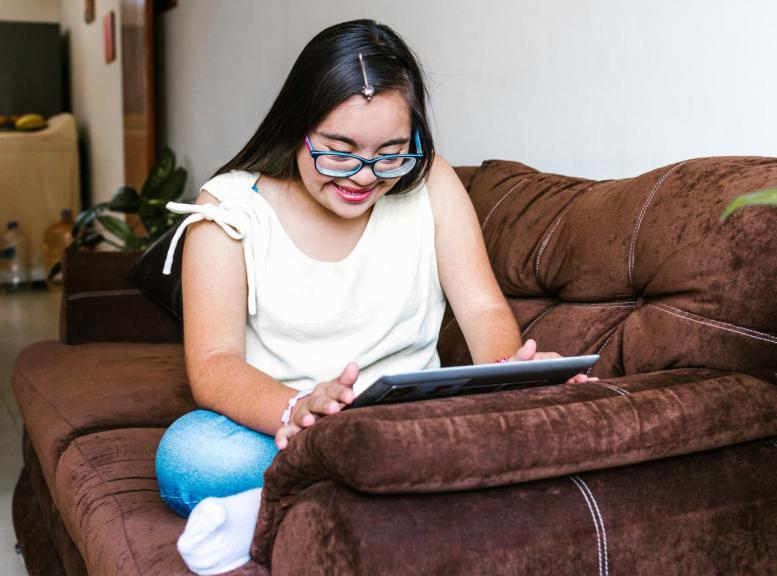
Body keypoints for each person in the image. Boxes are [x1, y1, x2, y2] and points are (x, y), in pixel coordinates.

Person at [154, 19, 595, 575]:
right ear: (297, 127)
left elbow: (482, 309)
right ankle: (393, 492)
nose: (364, 176)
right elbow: (214, 363)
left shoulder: (429, 181)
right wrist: (295, 410)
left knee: (533, 420)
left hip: (406, 422)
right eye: (339, 151)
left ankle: (284, 507)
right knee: (192, 457)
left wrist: (509, 377)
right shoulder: (227, 209)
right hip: (286, 429)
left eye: (391, 153)